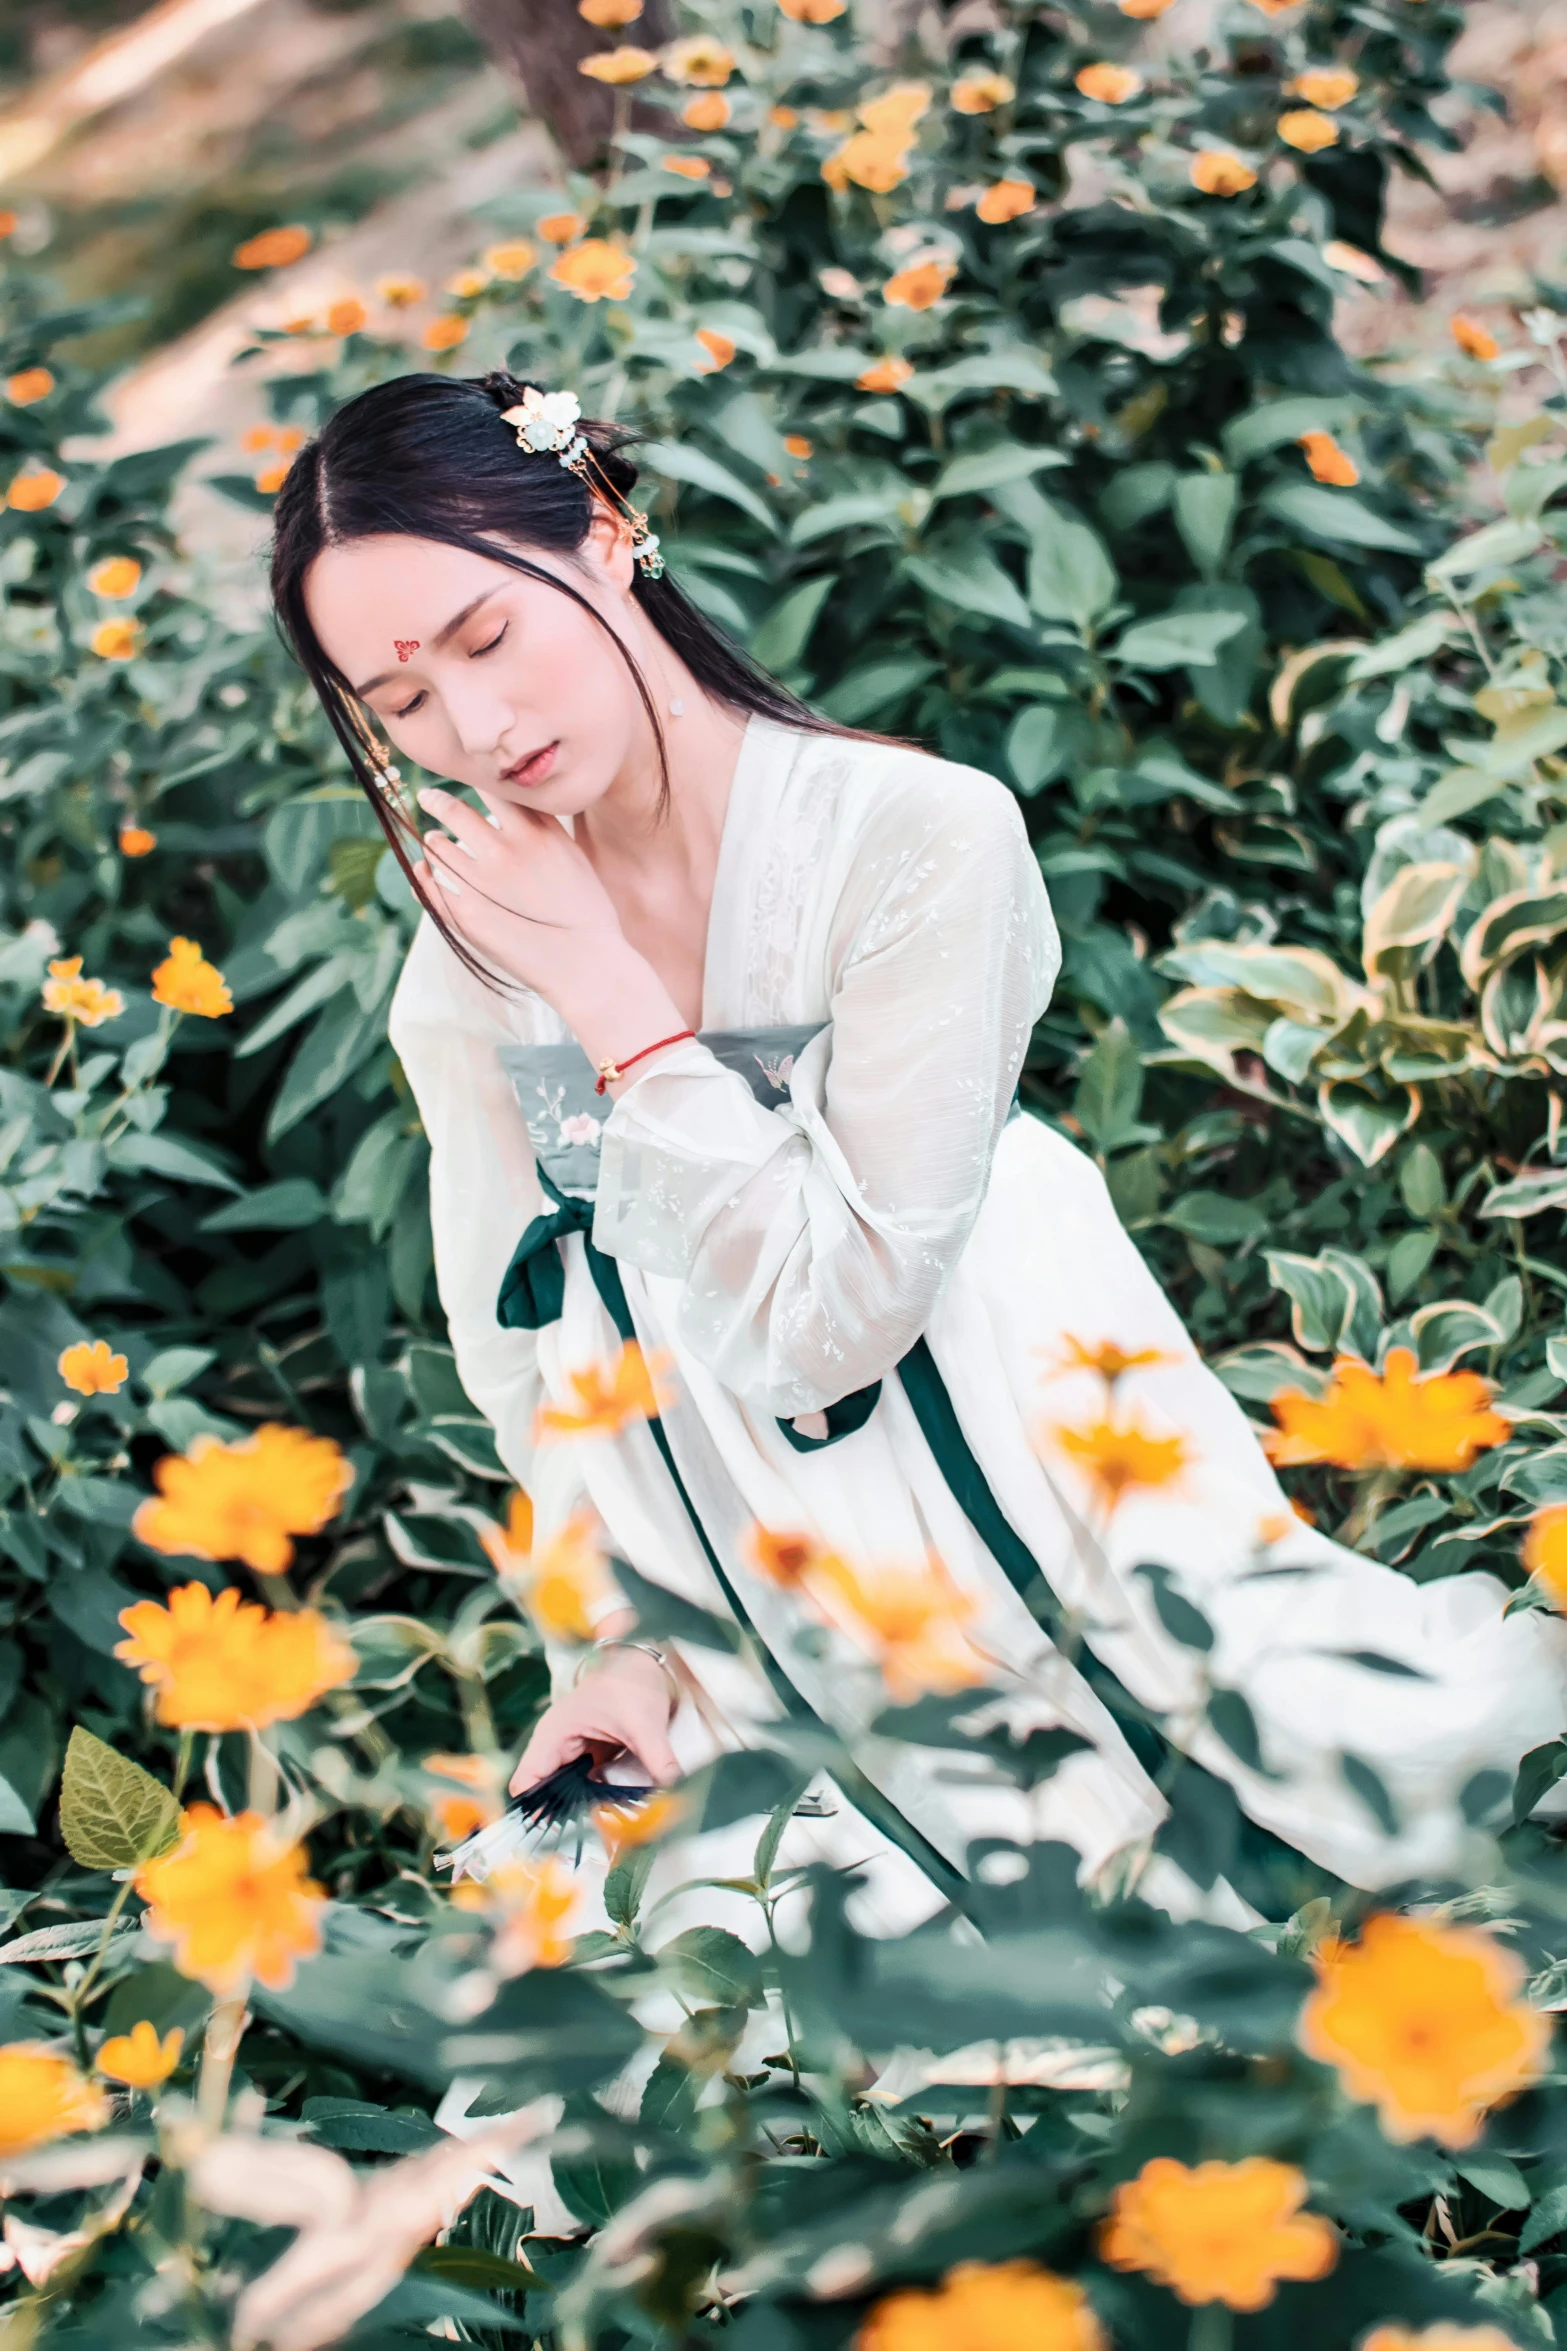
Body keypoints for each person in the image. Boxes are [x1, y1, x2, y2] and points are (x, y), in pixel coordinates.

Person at [270, 369, 1565, 1938]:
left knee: (1375, 1820)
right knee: (674, 1999)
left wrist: (614, 1004)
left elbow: (846, 1312)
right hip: (741, 1579)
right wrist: (619, 1645)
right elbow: (530, 1359)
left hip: (1024, 1470)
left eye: (488, 635)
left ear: (608, 532)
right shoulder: (463, 963)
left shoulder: (908, 838)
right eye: (400, 706)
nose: (474, 725)